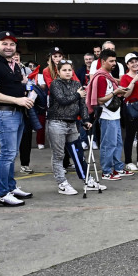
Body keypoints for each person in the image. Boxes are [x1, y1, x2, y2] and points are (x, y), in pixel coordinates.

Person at [0, 31, 35, 207]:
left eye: (11, 44)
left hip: (17, 113)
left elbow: (10, 86)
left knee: (12, 154)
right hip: (5, 113)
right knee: (7, 154)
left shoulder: (13, 65)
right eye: (4, 43)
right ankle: (2, 194)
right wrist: (17, 99)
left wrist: (24, 86)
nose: (8, 47)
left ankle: (11, 187)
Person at [47, 61, 94, 195]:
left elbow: (82, 104)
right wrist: (78, 94)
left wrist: (85, 120)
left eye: (69, 70)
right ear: (58, 71)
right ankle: (62, 183)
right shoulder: (55, 84)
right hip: (57, 123)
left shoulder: (76, 84)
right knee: (59, 155)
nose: (67, 72)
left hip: (72, 123)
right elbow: (62, 100)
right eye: (64, 70)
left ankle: (87, 179)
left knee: (78, 152)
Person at [89, 49, 130, 181]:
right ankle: (106, 171)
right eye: (111, 61)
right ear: (103, 61)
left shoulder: (108, 76)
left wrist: (118, 91)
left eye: (115, 61)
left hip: (114, 115)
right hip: (107, 116)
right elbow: (100, 99)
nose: (114, 63)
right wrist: (115, 92)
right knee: (108, 145)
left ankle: (118, 168)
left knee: (117, 143)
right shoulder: (101, 77)